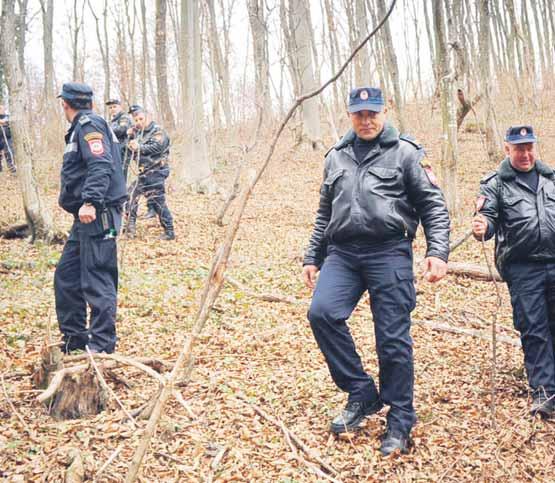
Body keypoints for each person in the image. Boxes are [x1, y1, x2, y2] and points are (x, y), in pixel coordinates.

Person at [302, 87, 450, 455]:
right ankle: (362, 392)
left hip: (389, 253)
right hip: (343, 254)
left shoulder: (406, 153)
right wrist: (312, 256)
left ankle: (400, 418)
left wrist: (438, 251)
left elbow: (433, 205)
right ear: (349, 115)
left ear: (386, 111)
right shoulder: (336, 156)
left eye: (372, 113)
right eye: (359, 114)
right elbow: (325, 213)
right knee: (321, 313)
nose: (366, 120)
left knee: (392, 339)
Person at [472, 125, 555, 419]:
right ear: (507, 149)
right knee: (534, 329)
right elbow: (488, 217)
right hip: (522, 267)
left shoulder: (550, 177)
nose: (526, 153)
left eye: (530, 147)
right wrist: (483, 227)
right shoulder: (495, 183)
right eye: (519, 148)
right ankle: (544, 391)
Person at [54, 83, 127, 354]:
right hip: (84, 218)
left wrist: (90, 202)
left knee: (98, 280)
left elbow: (100, 164)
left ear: (65, 104)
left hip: (97, 214)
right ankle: (75, 342)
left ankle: (102, 347)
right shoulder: (82, 127)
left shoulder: (89, 125)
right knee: (67, 278)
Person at [125, 104, 175, 241]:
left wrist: (139, 146)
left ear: (148, 116)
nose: (139, 122)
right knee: (130, 196)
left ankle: (169, 231)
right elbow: (130, 149)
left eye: (141, 119)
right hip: (144, 173)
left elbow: (157, 147)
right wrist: (129, 138)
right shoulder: (138, 133)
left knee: (158, 202)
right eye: (136, 120)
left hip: (156, 172)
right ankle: (130, 228)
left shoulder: (158, 131)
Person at [105, 98, 133, 181]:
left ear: (120, 107)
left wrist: (107, 130)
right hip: (114, 151)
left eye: (114, 107)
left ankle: (122, 193)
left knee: (121, 176)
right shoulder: (111, 121)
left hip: (122, 150)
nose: (112, 109)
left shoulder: (124, 117)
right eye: (110, 108)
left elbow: (122, 129)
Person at [0, 104, 16, 173]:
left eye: (2, 109)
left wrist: (4, 122)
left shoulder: (7, 117)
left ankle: (12, 168)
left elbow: (10, 121)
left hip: (7, 138)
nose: (1, 110)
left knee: (8, 152)